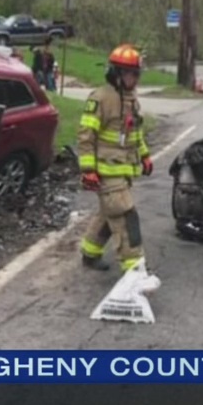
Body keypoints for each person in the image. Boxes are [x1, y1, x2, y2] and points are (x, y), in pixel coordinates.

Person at [77, 43, 153, 272]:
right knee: (125, 216)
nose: (136, 79)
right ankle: (135, 270)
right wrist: (88, 170)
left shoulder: (130, 98)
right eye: (132, 74)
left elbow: (135, 133)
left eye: (137, 74)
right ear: (117, 74)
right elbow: (85, 137)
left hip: (122, 170)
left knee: (108, 214)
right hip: (106, 171)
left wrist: (145, 155)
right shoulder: (101, 99)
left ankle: (90, 253)